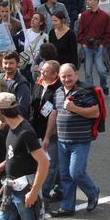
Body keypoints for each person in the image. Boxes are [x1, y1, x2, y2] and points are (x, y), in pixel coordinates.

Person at [0, 92, 49, 220]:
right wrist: (4, 164)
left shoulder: (25, 132)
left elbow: (44, 162)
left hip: (25, 190)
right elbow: (17, 153)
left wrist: (33, 192)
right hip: (10, 187)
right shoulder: (12, 127)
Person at [51, 64, 100, 217]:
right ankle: (67, 206)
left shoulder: (85, 91)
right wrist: (48, 136)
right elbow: (55, 113)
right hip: (62, 140)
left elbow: (95, 112)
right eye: (63, 76)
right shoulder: (58, 92)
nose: (66, 79)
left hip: (80, 140)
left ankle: (93, 192)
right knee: (65, 175)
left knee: (76, 172)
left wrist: (74, 108)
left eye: (69, 75)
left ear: (76, 75)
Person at [29, 60, 62, 202]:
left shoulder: (59, 90)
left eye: (45, 71)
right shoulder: (38, 84)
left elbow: (54, 114)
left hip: (51, 133)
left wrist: (48, 136)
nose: (41, 72)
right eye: (42, 70)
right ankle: (61, 188)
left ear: (55, 75)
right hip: (36, 129)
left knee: (50, 164)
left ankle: (44, 196)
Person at [77, 0, 110, 95]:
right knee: (88, 72)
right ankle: (91, 93)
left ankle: (104, 85)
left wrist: (102, 44)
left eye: (90, 0)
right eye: (87, 0)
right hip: (87, 47)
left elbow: (108, 33)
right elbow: (79, 32)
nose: (87, 1)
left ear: (96, 1)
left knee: (101, 70)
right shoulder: (84, 15)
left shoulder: (105, 16)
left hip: (99, 47)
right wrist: (83, 43)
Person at [0, 50, 31, 118]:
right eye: (5, 63)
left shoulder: (21, 84)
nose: (8, 66)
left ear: (17, 64)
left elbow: (22, 109)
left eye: (11, 63)